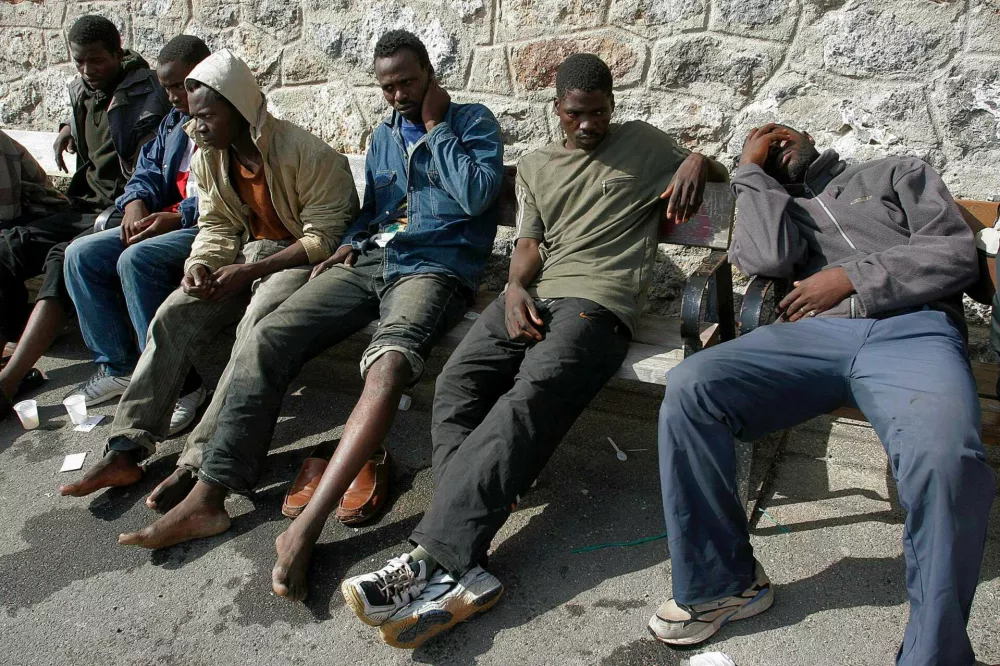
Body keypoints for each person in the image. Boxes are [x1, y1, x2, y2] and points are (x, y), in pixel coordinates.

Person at [340, 53, 728, 649]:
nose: (589, 125)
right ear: (558, 111)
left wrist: (699, 157)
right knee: (457, 383)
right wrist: (517, 287)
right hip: (536, 294)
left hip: (600, 306)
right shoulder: (540, 166)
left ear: (612, 108)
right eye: (577, 115)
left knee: (525, 401)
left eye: (599, 113)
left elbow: (718, 174)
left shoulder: (645, 145)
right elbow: (528, 245)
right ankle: (461, 556)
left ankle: (430, 558)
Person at [112, 30, 505, 596]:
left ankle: (307, 525)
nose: (397, 96)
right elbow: (382, 211)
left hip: (435, 269)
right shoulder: (384, 133)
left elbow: (475, 196)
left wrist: (438, 127)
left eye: (407, 83)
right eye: (387, 87)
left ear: (430, 75)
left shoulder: (472, 123)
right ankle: (209, 496)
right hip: (373, 260)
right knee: (268, 335)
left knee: (388, 364)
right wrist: (354, 238)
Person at [648, 123, 996, 666]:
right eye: (766, 143)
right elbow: (765, 261)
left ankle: (935, 655)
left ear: (810, 136)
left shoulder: (895, 172)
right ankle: (725, 586)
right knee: (693, 386)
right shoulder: (775, 201)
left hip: (913, 331)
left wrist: (851, 278)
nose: (776, 144)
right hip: (814, 335)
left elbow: (953, 253)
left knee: (947, 459)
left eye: (783, 135)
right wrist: (750, 171)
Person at [58, 49, 359, 500]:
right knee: (173, 314)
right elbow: (217, 226)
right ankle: (125, 446)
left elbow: (324, 238)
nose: (197, 127)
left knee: (255, 323)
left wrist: (251, 271)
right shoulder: (210, 156)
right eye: (194, 117)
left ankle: (199, 458)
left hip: (296, 260)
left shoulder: (308, 154)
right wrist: (199, 264)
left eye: (208, 117)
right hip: (243, 255)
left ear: (239, 109)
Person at [0, 14, 169, 420]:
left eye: (97, 61)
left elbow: (151, 161)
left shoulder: (148, 94)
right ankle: (9, 350)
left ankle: (9, 383)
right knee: (8, 244)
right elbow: (91, 117)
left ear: (118, 50)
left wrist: (136, 201)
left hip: (121, 209)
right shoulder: (83, 89)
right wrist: (66, 127)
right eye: (80, 62)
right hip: (82, 205)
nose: (88, 70)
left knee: (65, 255)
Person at [63, 35, 212, 436]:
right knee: (81, 255)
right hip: (162, 222)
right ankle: (120, 367)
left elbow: (234, 195)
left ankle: (183, 386)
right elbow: (145, 173)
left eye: (182, 85)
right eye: (167, 88)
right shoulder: (174, 123)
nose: (175, 96)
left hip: (209, 228)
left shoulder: (229, 120)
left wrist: (179, 216)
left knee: (137, 259)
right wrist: (134, 203)